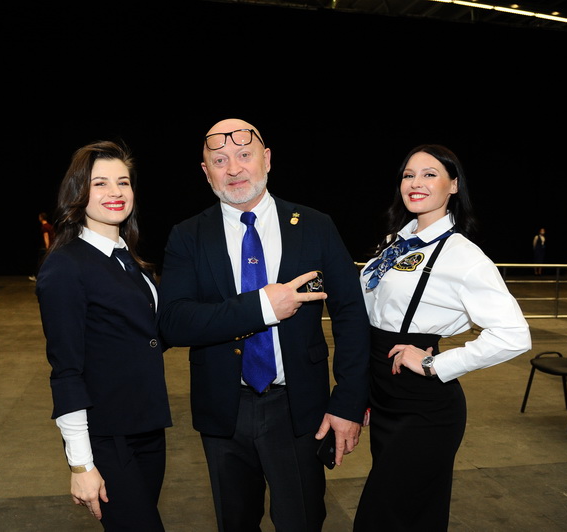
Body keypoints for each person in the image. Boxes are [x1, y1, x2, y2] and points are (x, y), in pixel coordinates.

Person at [158, 118, 370, 532]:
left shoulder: (315, 225)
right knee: (235, 522)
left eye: (244, 155)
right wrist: (262, 308)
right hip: (223, 410)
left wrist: (347, 402)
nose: (234, 169)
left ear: (267, 159)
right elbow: (174, 322)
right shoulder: (187, 236)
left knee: (302, 520)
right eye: (220, 160)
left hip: (300, 409)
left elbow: (351, 315)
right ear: (206, 172)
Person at [353, 144, 531, 531]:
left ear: (453, 185)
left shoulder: (462, 255)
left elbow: (514, 334)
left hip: (423, 407)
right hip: (383, 393)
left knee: (382, 517)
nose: (415, 183)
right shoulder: (393, 244)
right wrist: (361, 390)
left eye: (429, 174)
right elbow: (372, 314)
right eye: (408, 175)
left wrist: (436, 363)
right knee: (413, 516)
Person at [35, 140, 172, 531]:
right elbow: (66, 371)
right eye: (100, 183)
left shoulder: (128, 257)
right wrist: (81, 464)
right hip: (107, 439)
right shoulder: (65, 265)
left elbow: (146, 336)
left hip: (148, 431)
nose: (116, 192)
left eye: (123, 182)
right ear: (78, 192)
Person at [29, 212, 55, 281]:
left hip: (46, 248)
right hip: (52, 247)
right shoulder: (50, 226)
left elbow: (46, 237)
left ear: (41, 218)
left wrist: (47, 247)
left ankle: (37, 277)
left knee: (41, 262)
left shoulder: (44, 227)